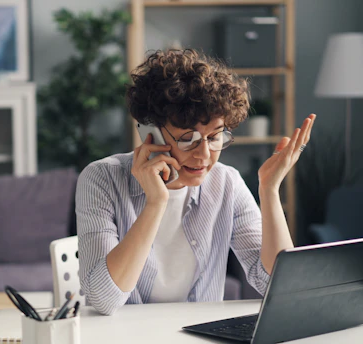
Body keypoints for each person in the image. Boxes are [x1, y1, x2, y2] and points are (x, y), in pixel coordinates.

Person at [76, 49, 316, 316]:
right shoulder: (101, 179)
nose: (204, 155)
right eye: (188, 138)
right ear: (150, 133)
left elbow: (275, 284)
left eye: (214, 138)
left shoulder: (227, 184)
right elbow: (103, 299)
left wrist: (269, 190)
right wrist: (156, 203)